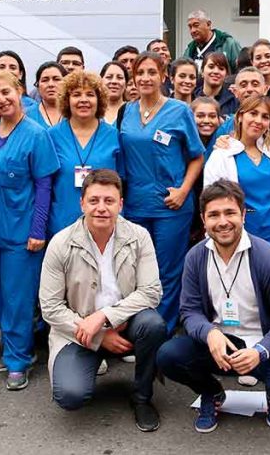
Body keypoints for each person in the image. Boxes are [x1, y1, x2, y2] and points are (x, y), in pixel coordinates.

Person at [157, 180, 270, 433]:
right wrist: (209, 333)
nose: (223, 222)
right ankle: (211, 392)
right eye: (214, 215)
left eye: (230, 213)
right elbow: (189, 311)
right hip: (220, 344)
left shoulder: (269, 259)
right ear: (203, 220)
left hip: (264, 344)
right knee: (168, 356)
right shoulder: (195, 257)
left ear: (243, 215)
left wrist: (261, 351)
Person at [40, 169, 166, 432]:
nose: (101, 208)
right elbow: (50, 308)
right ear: (82, 203)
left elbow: (151, 291)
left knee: (153, 324)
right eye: (94, 200)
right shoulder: (60, 243)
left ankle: (142, 397)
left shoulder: (139, 236)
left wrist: (105, 317)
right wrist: (99, 336)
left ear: (120, 204)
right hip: (79, 331)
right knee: (69, 395)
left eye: (109, 201)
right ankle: (93, 360)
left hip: (126, 323)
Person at [0, 71, 60, 390]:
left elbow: (44, 187)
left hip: (21, 231)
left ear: (20, 91)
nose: (1, 100)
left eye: (6, 93)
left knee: (18, 299)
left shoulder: (36, 134)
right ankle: (15, 348)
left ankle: (18, 360)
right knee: (0, 298)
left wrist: (38, 230)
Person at [120, 52, 205, 330]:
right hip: (135, 205)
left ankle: (162, 331)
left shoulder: (179, 111)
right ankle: (139, 328)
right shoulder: (126, 111)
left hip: (171, 206)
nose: (145, 78)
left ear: (163, 76)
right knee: (136, 271)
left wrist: (183, 190)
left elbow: (197, 156)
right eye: (140, 73)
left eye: (152, 72)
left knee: (167, 271)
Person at [204, 96, 270, 311]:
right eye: (253, 113)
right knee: (249, 306)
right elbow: (211, 203)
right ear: (240, 116)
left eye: (265, 117)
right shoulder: (221, 156)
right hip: (242, 242)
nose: (258, 120)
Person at [47, 70, 123, 236]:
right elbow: (45, 185)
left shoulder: (113, 135)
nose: (83, 100)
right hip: (62, 224)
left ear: (99, 100)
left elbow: (123, 182)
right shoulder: (51, 136)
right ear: (67, 100)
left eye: (90, 94)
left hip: (105, 224)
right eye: (76, 95)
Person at [213, 67, 270, 137]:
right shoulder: (225, 129)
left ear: (265, 89)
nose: (249, 89)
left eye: (255, 84)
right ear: (235, 92)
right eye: (243, 85)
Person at [26, 62, 68, 129]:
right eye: (45, 80)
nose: (50, 84)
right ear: (37, 86)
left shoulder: (75, 114)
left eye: (56, 79)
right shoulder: (26, 115)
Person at [99, 61, 129, 127]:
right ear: (100, 81)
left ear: (126, 84)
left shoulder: (133, 110)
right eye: (109, 77)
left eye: (119, 77)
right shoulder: (93, 111)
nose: (114, 81)